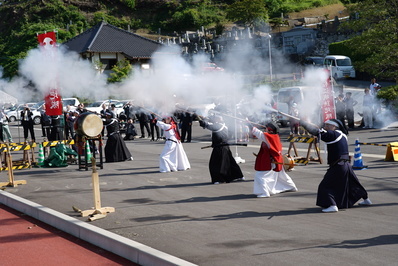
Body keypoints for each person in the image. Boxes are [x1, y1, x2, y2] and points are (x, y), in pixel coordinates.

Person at [300, 119, 372, 212]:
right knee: (353, 183)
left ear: (334, 126)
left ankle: (332, 205)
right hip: (345, 164)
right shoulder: (342, 135)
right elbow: (320, 131)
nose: (325, 127)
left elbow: (317, 132)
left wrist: (304, 124)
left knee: (325, 186)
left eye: (327, 125)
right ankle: (366, 200)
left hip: (338, 165)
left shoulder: (334, 134)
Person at [251, 122, 297, 197]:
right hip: (277, 159)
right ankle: (291, 187)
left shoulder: (268, 137)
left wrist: (249, 125)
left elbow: (258, 133)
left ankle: (264, 192)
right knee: (282, 175)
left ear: (270, 130)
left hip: (270, 160)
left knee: (260, 176)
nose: (265, 130)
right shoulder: (275, 136)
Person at [199, 115, 244, 184]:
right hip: (225, 147)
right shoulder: (223, 125)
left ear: (218, 120)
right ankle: (238, 176)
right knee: (231, 162)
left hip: (219, 148)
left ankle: (219, 179)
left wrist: (201, 120)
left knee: (215, 164)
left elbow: (206, 125)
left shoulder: (218, 126)